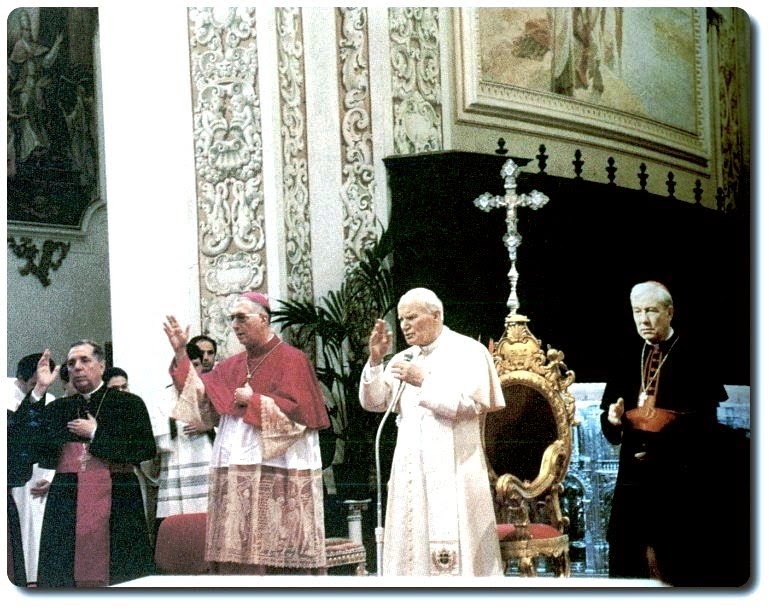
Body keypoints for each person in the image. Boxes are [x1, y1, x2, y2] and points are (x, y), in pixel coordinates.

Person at [163, 291, 330, 575]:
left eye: (242, 318)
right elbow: (201, 399)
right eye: (232, 319)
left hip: (278, 466)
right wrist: (180, 353)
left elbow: (300, 421)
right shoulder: (233, 365)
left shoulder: (293, 360)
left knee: (277, 551)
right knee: (238, 548)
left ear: (264, 319)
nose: (235, 325)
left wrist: (252, 402)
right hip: (233, 464)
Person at [359, 287, 505, 576]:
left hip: (456, 469)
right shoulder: (404, 358)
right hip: (411, 472)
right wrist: (376, 362)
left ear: (436, 315)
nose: (404, 325)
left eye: (412, 317)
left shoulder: (469, 351)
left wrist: (424, 380)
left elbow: (472, 403)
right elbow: (376, 401)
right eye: (401, 319)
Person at [599, 281, 729, 586]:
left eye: (651, 311)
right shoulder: (625, 355)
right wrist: (615, 420)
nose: (643, 319)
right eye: (637, 311)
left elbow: (705, 427)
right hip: (633, 480)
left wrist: (663, 444)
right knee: (630, 561)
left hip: (679, 481)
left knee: (677, 564)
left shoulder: (695, 355)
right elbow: (610, 423)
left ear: (669, 312)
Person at [17, 341, 157, 587]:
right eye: (71, 363)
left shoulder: (129, 403)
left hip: (118, 496)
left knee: (122, 572)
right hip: (67, 499)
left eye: (84, 361)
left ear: (101, 366)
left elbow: (145, 449)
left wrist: (96, 435)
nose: (77, 368)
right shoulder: (59, 408)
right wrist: (39, 389)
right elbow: (25, 442)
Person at [153, 340, 217, 532]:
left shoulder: (211, 393)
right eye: (179, 365)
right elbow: (157, 437)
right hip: (175, 468)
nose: (188, 370)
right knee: (179, 530)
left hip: (207, 466)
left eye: (195, 365)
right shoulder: (161, 398)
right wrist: (174, 423)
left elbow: (228, 429)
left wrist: (207, 427)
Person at [6, 353, 57, 586]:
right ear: (20, 378)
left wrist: (52, 477)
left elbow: (55, 445)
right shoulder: (5, 397)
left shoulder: (50, 399)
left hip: (38, 475)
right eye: (33, 385)